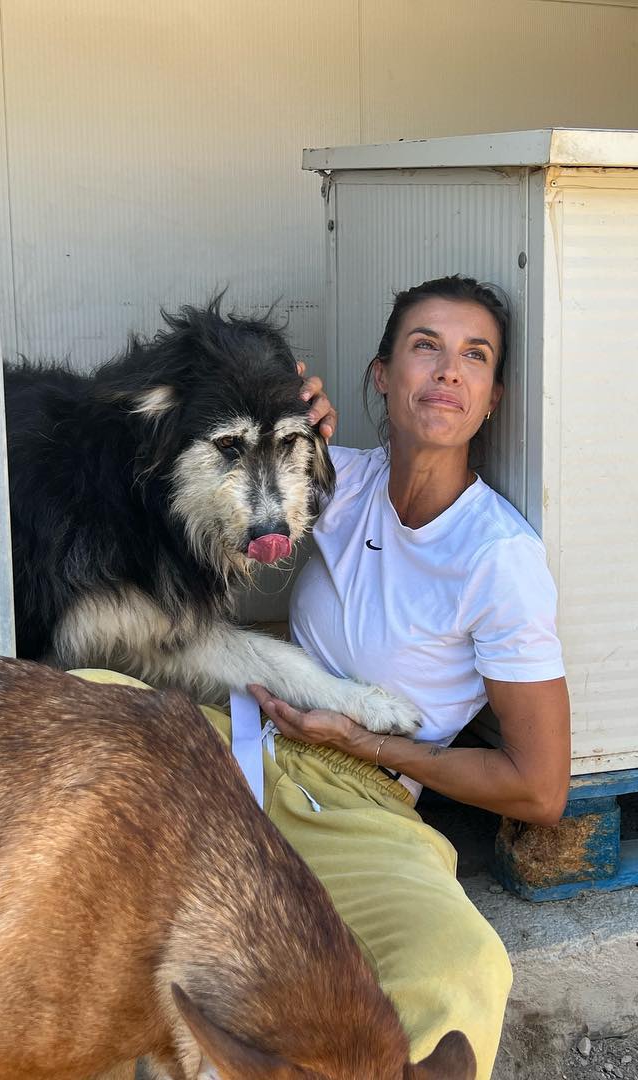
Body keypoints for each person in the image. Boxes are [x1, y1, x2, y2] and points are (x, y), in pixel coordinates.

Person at [77, 275, 570, 1079]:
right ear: (381, 376)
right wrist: (288, 416)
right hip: (237, 752)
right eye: (426, 348)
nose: (448, 371)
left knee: (465, 968)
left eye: (473, 357)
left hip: (362, 802)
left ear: (492, 397)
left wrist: (368, 743)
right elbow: (221, 478)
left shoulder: (499, 559)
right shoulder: (338, 481)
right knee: (88, 699)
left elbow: (541, 790)